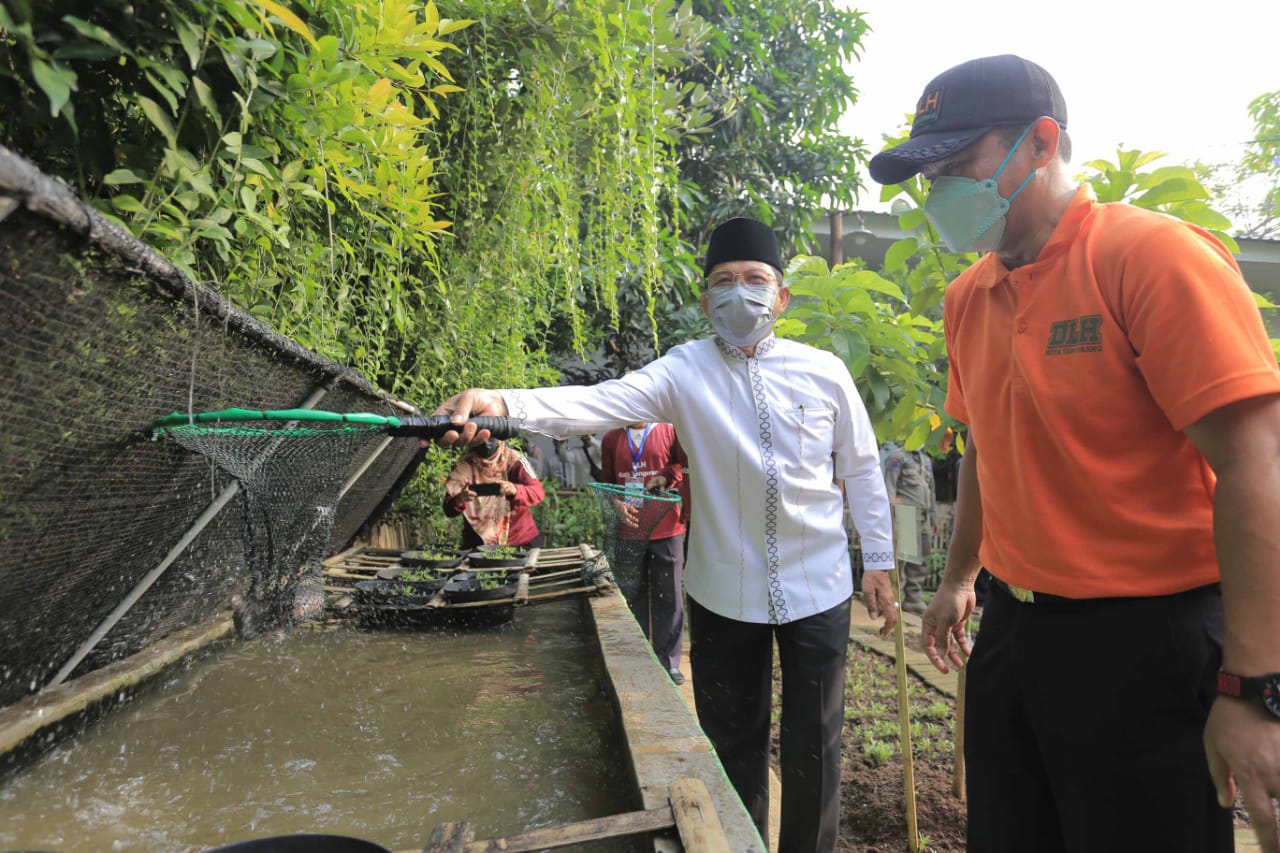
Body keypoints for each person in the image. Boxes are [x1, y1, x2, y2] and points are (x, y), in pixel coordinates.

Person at [868, 53, 1280, 853]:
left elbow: (1255, 461)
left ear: (1041, 143)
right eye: (932, 176)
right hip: (1016, 634)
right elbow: (987, 446)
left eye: (960, 166)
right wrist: (958, 576)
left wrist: (1254, 687)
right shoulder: (968, 299)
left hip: (1147, 643)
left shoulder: (1147, 259)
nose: (942, 192)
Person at [429, 217, 899, 853]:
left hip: (819, 588)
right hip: (723, 593)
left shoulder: (825, 372)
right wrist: (500, 404)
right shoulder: (684, 372)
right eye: (724, 283)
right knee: (733, 743)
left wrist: (877, 560)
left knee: (816, 746)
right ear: (706, 302)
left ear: (782, 296)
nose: (742, 294)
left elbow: (863, 469)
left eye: (756, 280)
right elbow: (596, 403)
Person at [600, 422, 688, 684]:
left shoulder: (670, 430)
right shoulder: (611, 438)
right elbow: (607, 483)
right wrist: (615, 504)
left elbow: (681, 467)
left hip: (667, 527)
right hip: (629, 530)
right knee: (632, 593)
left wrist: (665, 477)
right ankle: (637, 659)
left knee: (669, 595)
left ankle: (669, 662)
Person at [443, 438, 546, 549]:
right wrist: (459, 500)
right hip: (478, 543)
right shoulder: (463, 467)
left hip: (520, 540)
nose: (486, 442)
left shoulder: (514, 459)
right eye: (482, 437)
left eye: (491, 436)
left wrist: (515, 490)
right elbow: (448, 509)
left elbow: (537, 491)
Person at [879, 440, 936, 613]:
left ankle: (913, 598)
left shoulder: (926, 460)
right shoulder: (897, 458)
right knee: (903, 560)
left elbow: (931, 490)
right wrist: (893, 514)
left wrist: (933, 517)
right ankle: (893, 598)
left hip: (924, 515)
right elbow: (890, 488)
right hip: (906, 514)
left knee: (921, 559)